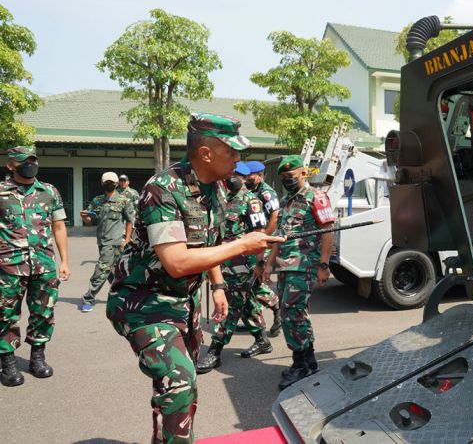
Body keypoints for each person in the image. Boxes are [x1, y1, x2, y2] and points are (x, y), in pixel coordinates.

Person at [106, 113, 283, 444]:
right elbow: (177, 262)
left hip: (181, 303)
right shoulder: (163, 190)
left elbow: (208, 241)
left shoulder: (214, 187)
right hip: (142, 302)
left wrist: (217, 286)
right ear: (205, 153)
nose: (238, 160)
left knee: (176, 392)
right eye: (232, 152)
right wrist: (242, 245)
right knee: (180, 382)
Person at [262, 154, 336, 390]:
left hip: (304, 265)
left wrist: (324, 266)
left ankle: (301, 365)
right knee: (291, 313)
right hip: (285, 265)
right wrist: (268, 264)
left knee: (293, 312)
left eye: (291, 176)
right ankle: (308, 361)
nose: (287, 180)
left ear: (303, 173)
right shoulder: (285, 202)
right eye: (283, 177)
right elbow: (279, 236)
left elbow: (327, 231)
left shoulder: (316, 197)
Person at [0, 145, 70, 387]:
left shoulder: (49, 191)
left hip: (43, 264)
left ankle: (37, 359)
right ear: (11, 164)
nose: (30, 164)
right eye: (24, 161)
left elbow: (59, 227)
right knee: (6, 314)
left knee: (43, 312)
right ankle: (8, 364)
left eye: (33, 160)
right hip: (8, 265)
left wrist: (64, 261)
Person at [196, 162, 272, 374]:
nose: (232, 178)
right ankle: (262, 340)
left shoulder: (251, 201)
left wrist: (260, 263)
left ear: (245, 177)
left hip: (242, 264)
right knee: (245, 303)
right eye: (231, 174)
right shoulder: (222, 198)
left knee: (230, 307)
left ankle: (215, 351)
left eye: (237, 175)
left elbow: (260, 233)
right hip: (223, 262)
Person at [79, 171, 134, 313]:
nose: (109, 184)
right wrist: (84, 217)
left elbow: (130, 221)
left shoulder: (123, 200)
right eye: (107, 182)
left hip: (116, 242)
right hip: (102, 242)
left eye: (112, 182)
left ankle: (88, 298)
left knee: (102, 270)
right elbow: (91, 221)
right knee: (114, 273)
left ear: (116, 184)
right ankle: (121, 298)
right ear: (103, 184)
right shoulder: (97, 201)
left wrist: (127, 239)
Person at [246, 160, 282, 337]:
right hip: (251, 241)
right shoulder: (252, 190)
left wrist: (263, 238)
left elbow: (275, 216)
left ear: (259, 176)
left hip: (262, 242)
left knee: (254, 280)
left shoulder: (266, 192)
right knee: (253, 281)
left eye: (249, 176)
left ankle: (277, 308)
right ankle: (255, 319)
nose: (246, 178)